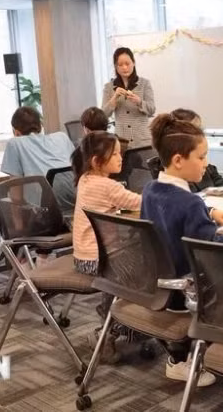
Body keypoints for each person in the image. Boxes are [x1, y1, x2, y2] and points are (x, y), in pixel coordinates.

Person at [141, 112, 223, 386]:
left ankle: (184, 356)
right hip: (190, 291)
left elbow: (173, 216)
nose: (206, 163)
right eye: (201, 157)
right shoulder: (189, 203)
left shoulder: (151, 190)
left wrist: (210, 212)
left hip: (160, 284)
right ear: (178, 160)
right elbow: (219, 250)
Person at [71, 131, 142, 364]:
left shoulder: (85, 179)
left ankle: (126, 327)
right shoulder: (106, 186)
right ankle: (109, 331)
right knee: (142, 269)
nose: (121, 158)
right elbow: (139, 202)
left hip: (85, 255)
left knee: (134, 265)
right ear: (97, 161)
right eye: (115, 155)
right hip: (98, 258)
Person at [0, 106, 77, 214]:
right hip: (78, 201)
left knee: (9, 198)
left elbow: (16, 195)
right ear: (41, 126)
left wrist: (19, 229)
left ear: (16, 132)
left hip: (45, 210)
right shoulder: (62, 137)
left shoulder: (15, 143)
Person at [147, 108, 223, 192]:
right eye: (195, 129)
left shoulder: (202, 165)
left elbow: (220, 183)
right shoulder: (177, 173)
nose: (199, 133)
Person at [101, 47, 156, 148]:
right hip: (122, 141)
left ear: (133, 63)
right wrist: (114, 98)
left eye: (127, 63)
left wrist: (139, 102)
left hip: (143, 140)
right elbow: (103, 115)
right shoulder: (109, 87)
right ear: (115, 66)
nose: (124, 67)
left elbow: (152, 110)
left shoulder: (145, 83)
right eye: (120, 65)